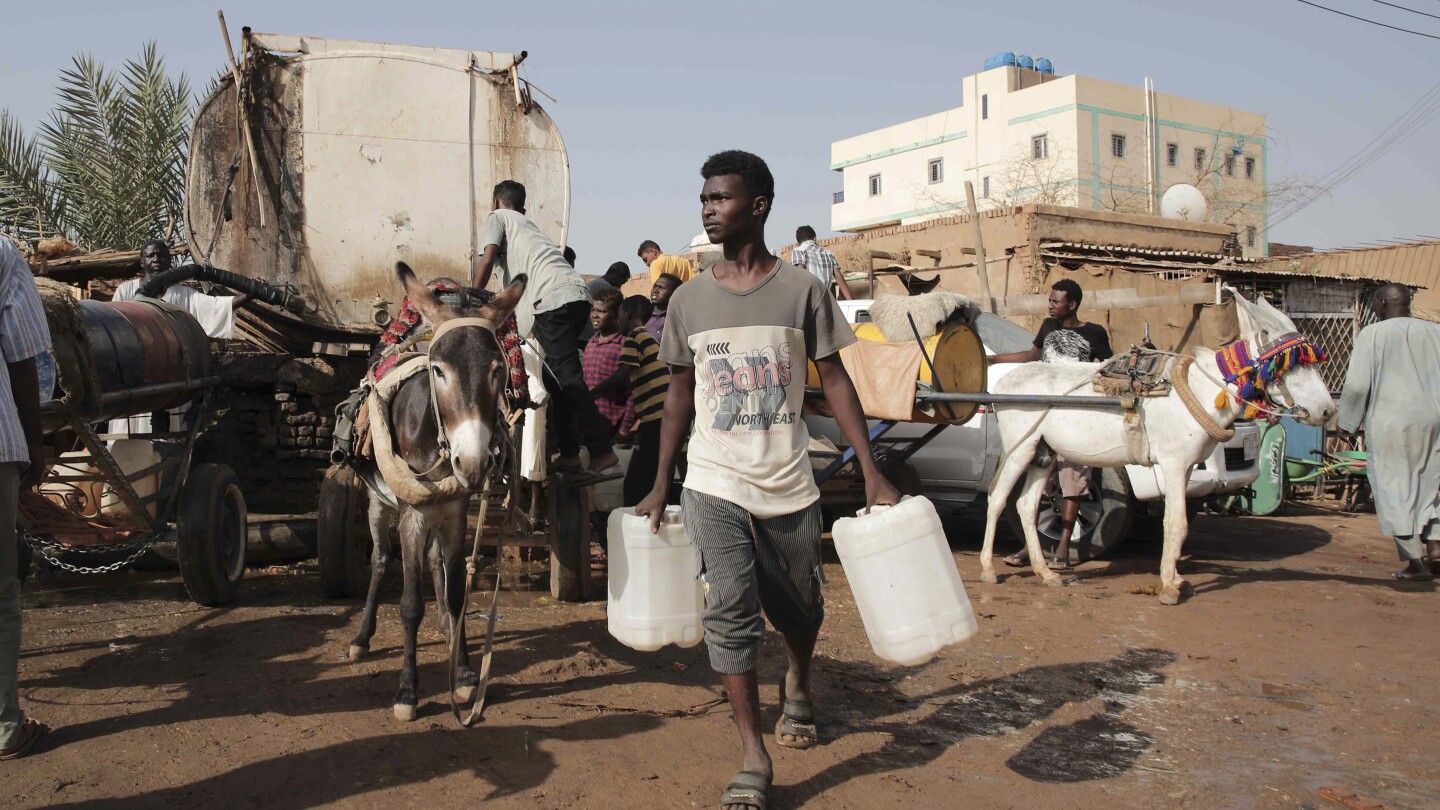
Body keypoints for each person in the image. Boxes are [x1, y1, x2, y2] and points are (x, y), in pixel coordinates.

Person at [636, 150, 899, 810]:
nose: (707, 208)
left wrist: (871, 470)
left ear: (757, 206)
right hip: (712, 479)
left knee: (800, 608)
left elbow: (834, 379)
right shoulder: (689, 300)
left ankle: (800, 681)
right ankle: (753, 756)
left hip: (788, 480)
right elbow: (677, 396)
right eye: (702, 199)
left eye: (720, 198)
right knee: (729, 606)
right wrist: (661, 480)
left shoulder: (801, 291)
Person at [472, 180, 617, 473]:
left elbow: (488, 258)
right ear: (523, 206)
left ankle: (601, 450)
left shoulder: (497, 217)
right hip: (575, 295)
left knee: (568, 376)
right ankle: (569, 452)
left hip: (552, 300)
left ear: (495, 201)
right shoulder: (528, 227)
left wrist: (472, 299)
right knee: (555, 379)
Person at [989, 278, 1112, 570]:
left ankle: (1064, 546)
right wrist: (995, 359)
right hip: (1044, 418)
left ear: (1072, 305)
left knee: (1072, 482)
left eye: (1056, 301)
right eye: (1050, 300)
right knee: (1040, 485)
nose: (1050, 305)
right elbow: (1032, 357)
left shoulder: (1094, 333)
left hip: (1076, 418)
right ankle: (1033, 547)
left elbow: (1107, 366)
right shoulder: (1048, 327)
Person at [1337, 283, 1440, 581]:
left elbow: (1357, 386)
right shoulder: (1434, 333)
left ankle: (1415, 563)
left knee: (1396, 488)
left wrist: (1347, 423)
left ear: (1382, 303)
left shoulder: (1373, 335)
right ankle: (1435, 549)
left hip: (1392, 424)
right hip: (1434, 421)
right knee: (1431, 486)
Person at [0, 237, 52, 761]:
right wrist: (34, 443)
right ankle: (4, 727)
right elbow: (22, 357)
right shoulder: (1, 254)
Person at [615, 295, 670, 507]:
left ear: (628, 316)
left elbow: (622, 375)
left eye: (619, 316)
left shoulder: (634, 337)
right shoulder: (648, 336)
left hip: (655, 419)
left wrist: (592, 393)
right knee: (650, 473)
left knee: (636, 484)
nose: (617, 321)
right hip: (660, 417)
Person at [581, 287, 631, 437]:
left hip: (615, 429)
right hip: (589, 424)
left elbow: (633, 393)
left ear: (617, 315)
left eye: (602, 311)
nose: (595, 315)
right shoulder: (591, 343)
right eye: (593, 310)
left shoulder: (625, 345)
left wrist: (625, 429)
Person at [790, 225, 853, 300]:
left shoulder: (798, 251)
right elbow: (839, 277)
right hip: (826, 299)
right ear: (814, 238)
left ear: (798, 242)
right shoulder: (828, 253)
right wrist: (851, 300)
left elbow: (801, 274)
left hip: (811, 299)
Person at [646, 272, 682, 346]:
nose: (655, 290)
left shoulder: (679, 318)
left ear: (674, 292)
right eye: (655, 286)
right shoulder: (643, 314)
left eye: (661, 288)